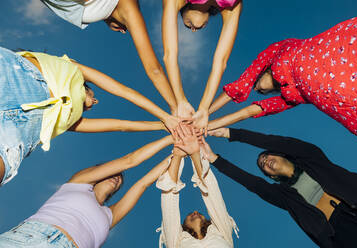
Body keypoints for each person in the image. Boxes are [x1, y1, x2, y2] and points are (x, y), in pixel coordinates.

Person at [0, 47, 178, 186]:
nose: (96, 102)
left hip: (20, 132)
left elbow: (121, 125)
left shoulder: (71, 120)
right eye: (93, 96)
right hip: (17, 75)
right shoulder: (71, 67)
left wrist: (163, 125)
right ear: (85, 87)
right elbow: (122, 91)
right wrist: (164, 115)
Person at [209, 9, 357, 142]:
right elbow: (247, 112)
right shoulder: (288, 98)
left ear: (262, 72)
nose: (257, 88)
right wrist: (207, 125)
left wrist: (205, 111)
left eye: (256, 84)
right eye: (261, 92)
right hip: (350, 97)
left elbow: (239, 86)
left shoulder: (278, 50)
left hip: (339, 51)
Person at [203, 127, 357, 247]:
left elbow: (281, 143)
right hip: (339, 233)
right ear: (272, 176)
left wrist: (231, 133)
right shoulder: (284, 196)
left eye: (267, 155)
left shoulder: (312, 158)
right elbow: (253, 184)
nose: (265, 161)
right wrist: (214, 158)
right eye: (262, 166)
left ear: (281, 153)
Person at [0, 134, 173, 248]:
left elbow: (142, 184)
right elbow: (129, 161)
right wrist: (172, 137)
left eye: (120, 179)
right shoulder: (79, 182)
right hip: (32, 237)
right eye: (113, 172)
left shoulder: (110, 215)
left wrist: (177, 153)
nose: (118, 177)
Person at [40, 0, 177, 113]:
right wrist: (176, 106)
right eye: (126, 29)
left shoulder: (101, 8)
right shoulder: (128, 7)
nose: (123, 31)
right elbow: (154, 69)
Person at [162, 0, 242, 130]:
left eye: (188, 25)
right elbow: (220, 62)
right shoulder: (231, 7)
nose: (193, 30)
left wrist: (180, 100)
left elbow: (169, 55)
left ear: (182, 9)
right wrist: (204, 108)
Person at [157, 124, 238, 248]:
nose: (195, 212)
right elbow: (169, 210)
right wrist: (180, 155)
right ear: (182, 226)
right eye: (193, 213)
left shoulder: (221, 232)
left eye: (191, 213)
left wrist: (194, 153)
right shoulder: (176, 242)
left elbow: (214, 197)